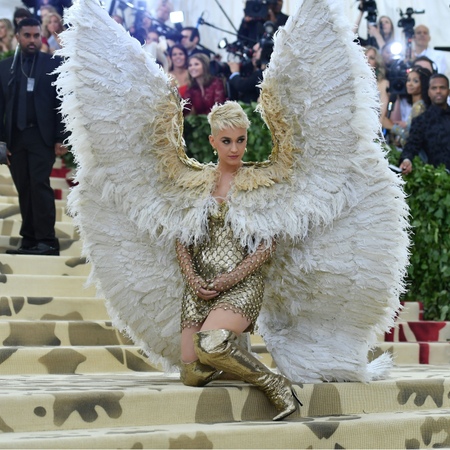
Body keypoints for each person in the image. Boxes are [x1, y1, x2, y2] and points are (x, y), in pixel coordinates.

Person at [57, 0, 409, 421]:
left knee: (211, 346)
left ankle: (275, 387)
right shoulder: (192, 183)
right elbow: (181, 237)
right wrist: (193, 280)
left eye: (241, 140)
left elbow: (267, 246)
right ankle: (235, 358)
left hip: (241, 283)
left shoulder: (261, 184)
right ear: (213, 142)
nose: (236, 148)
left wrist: (229, 278)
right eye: (227, 141)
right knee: (191, 370)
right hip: (199, 285)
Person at [0, 18, 67, 255]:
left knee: (39, 185)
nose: (32, 40)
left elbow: (62, 103)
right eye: (27, 35)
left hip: (42, 137)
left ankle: (47, 241)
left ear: (41, 37)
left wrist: (61, 137)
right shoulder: (5, 67)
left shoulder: (52, 64)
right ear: (18, 37)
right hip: (15, 139)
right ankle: (29, 240)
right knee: (24, 187)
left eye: (36, 36)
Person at [400, 74, 450, 174]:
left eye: (442, 87)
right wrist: (407, 160)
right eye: (434, 88)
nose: (438, 91)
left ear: (448, 91)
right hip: (436, 181)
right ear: (428, 92)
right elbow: (411, 145)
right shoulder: (420, 121)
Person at [383, 67, 431, 147]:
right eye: (408, 80)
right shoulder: (417, 105)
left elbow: (415, 138)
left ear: (424, 84)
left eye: (415, 81)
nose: (410, 84)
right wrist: (401, 140)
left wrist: (392, 126)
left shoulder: (419, 107)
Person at [365, 46, 389, 119]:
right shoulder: (352, 80)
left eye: (371, 58)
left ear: (376, 63)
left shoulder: (383, 83)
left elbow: (382, 114)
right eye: (364, 56)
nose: (367, 60)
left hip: (373, 125)